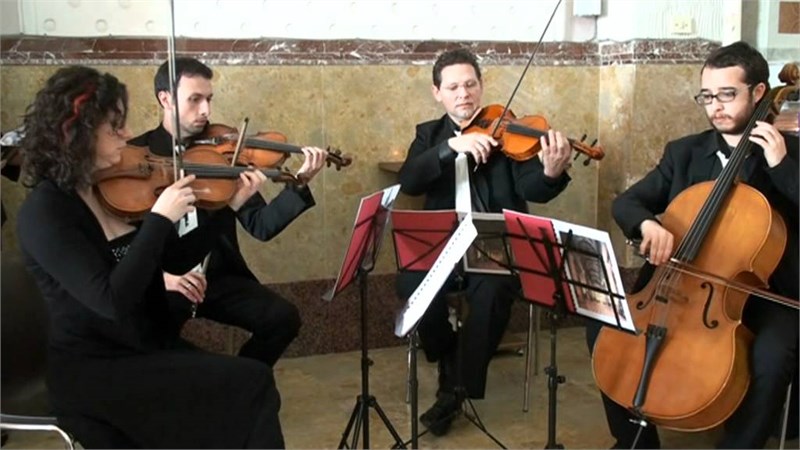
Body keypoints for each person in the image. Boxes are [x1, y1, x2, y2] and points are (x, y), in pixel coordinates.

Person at [16, 65, 285, 448]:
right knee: (252, 385)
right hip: (96, 369)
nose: (126, 135)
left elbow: (172, 260)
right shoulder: (47, 212)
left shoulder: (103, 190)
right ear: (74, 134)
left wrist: (226, 210)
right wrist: (159, 217)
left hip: (143, 347)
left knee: (250, 389)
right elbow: (110, 300)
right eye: (114, 127)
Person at [587, 41, 798, 449]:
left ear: (758, 94)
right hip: (678, 288)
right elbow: (627, 202)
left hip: (767, 295)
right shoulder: (684, 153)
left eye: (726, 94)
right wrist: (648, 225)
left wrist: (782, 167)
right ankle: (636, 441)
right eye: (707, 96)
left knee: (773, 356)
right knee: (603, 324)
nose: (715, 106)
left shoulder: (790, 154)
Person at [396, 48, 574, 436]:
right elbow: (410, 180)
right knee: (411, 286)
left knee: (494, 291)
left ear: (481, 85)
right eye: (454, 86)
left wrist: (549, 171)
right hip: (441, 247)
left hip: (495, 247)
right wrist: (449, 150)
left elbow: (533, 189)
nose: (464, 94)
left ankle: (455, 389)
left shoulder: (508, 131)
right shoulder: (429, 135)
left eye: (471, 84)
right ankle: (451, 356)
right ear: (437, 93)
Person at [129, 57, 327, 367]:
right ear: (165, 99)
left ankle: (245, 381)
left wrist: (299, 182)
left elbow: (261, 225)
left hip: (217, 277)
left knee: (283, 318)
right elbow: (121, 241)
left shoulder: (223, 154)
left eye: (208, 99)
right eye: (194, 99)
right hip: (166, 279)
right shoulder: (138, 157)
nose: (206, 110)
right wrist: (161, 277)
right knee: (154, 335)